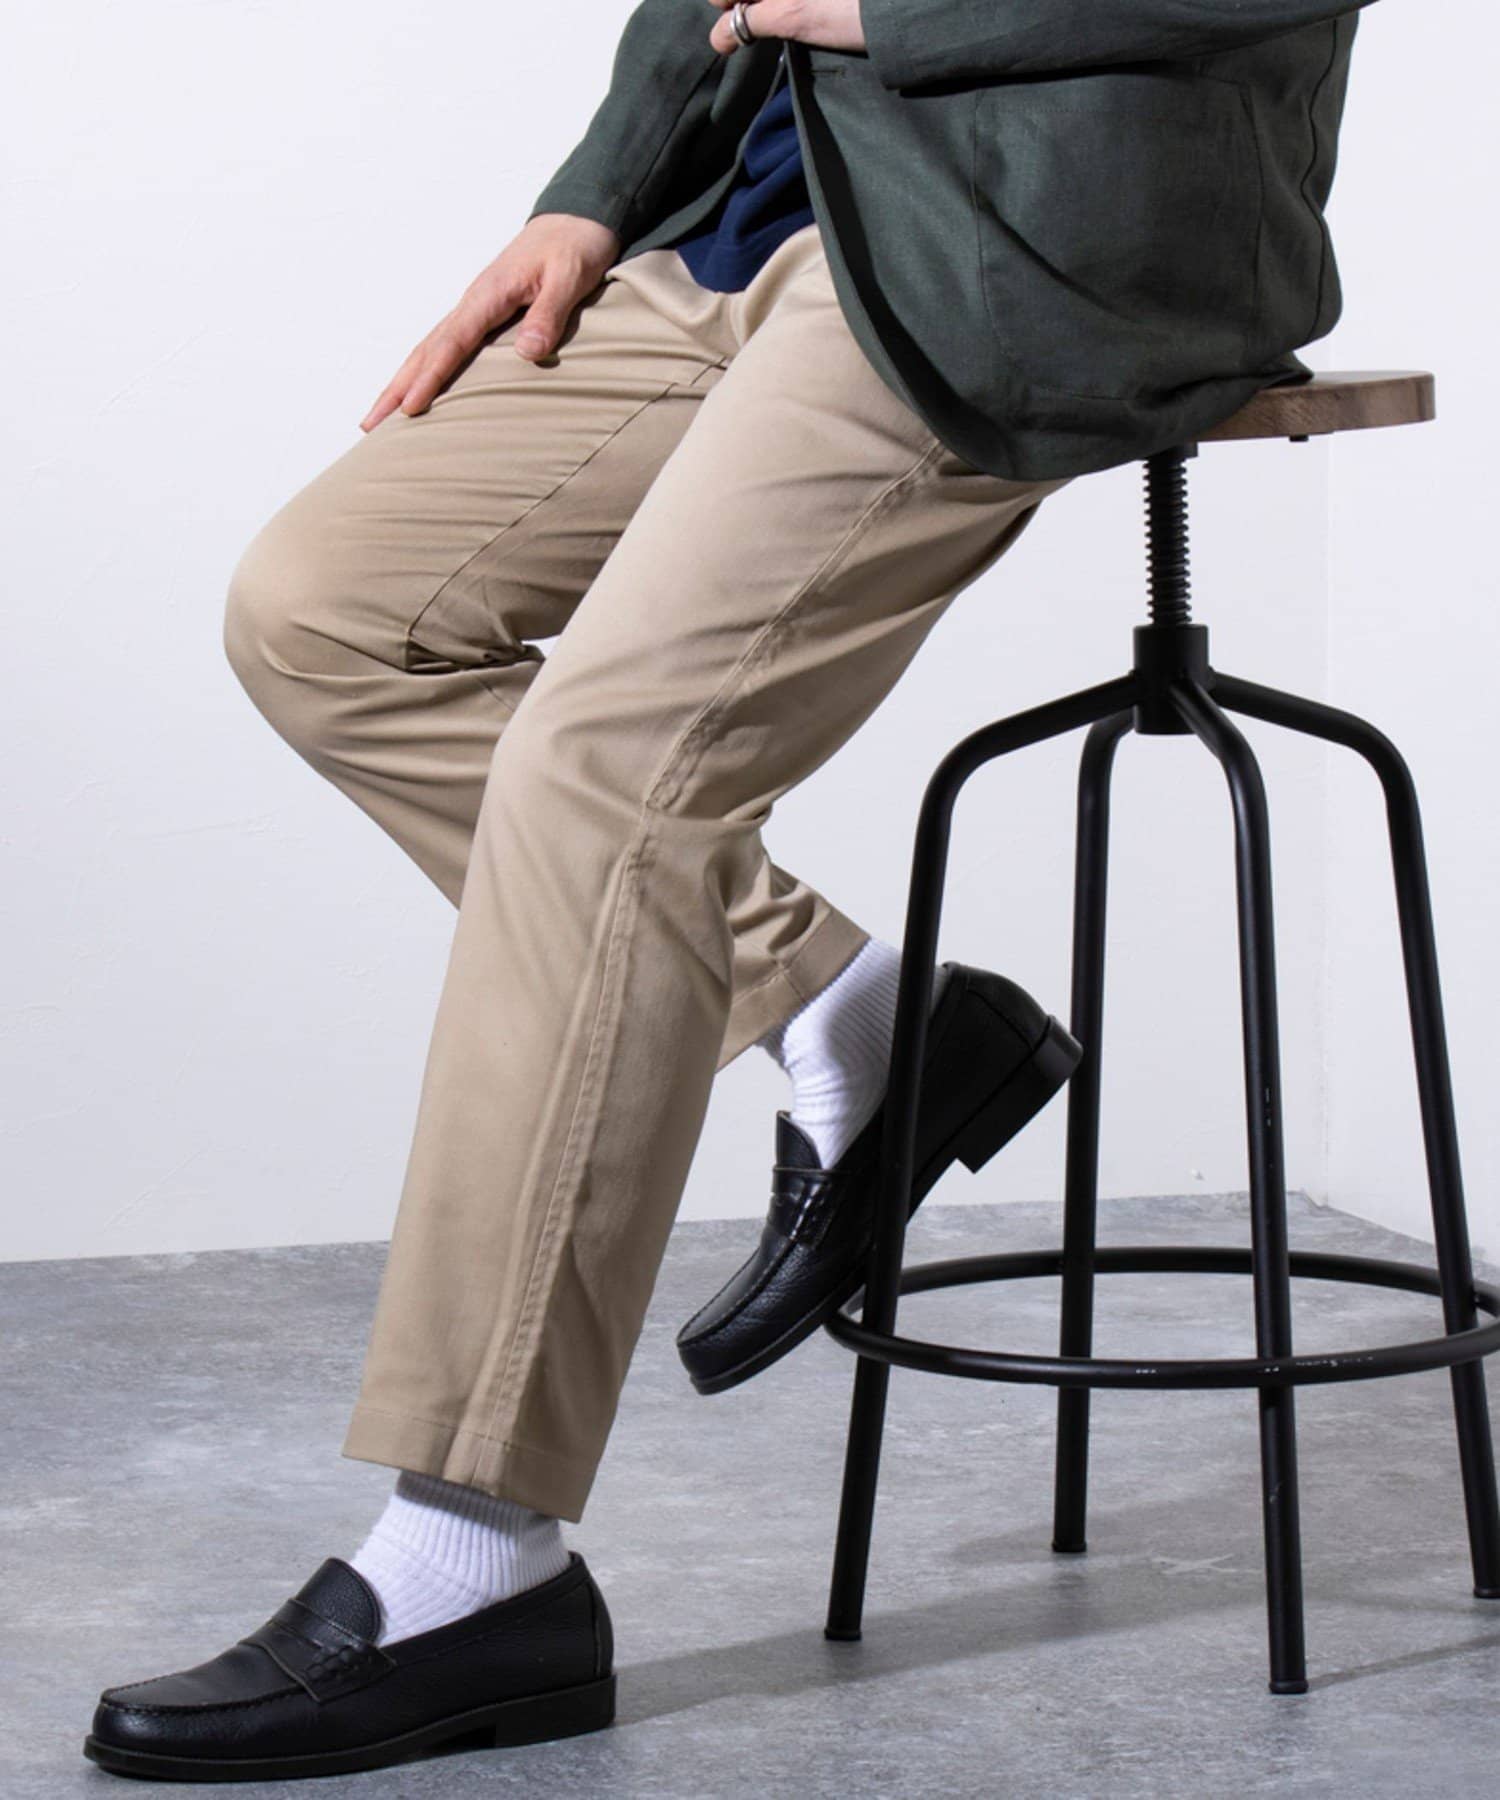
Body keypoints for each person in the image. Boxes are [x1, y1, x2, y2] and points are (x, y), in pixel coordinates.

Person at [83, 0, 1374, 1780]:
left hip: (1016, 241)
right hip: (747, 218)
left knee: (605, 773)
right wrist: (599, 188)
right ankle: (862, 1017)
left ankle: (475, 1552)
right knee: (323, 611)